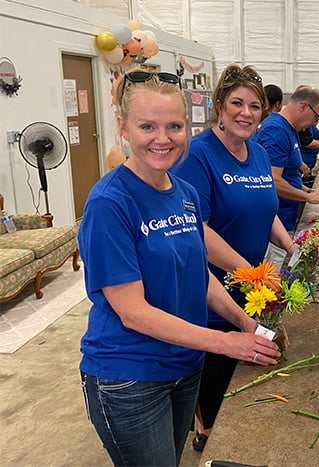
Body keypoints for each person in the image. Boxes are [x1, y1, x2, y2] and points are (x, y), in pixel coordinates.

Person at [78, 69, 280, 466]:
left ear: (187, 126)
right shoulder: (110, 203)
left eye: (173, 126)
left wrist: (244, 322)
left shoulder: (183, 193)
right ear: (122, 126)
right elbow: (132, 312)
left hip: (185, 364)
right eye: (147, 126)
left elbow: (197, 274)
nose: (162, 138)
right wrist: (224, 342)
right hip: (130, 377)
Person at [171, 64, 294, 451]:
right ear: (219, 107)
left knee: (242, 372)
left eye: (255, 106)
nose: (246, 112)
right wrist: (253, 273)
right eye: (237, 103)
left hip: (251, 286)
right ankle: (205, 434)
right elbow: (197, 230)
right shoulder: (198, 156)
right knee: (215, 370)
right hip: (211, 289)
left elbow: (265, 207)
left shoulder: (256, 153)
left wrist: (291, 247)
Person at [257, 85, 319, 263]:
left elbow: (288, 176)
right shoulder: (276, 130)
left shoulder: (289, 129)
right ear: (304, 106)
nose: (315, 124)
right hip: (276, 223)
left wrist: (307, 191)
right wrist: (308, 198)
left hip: (286, 219)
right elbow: (273, 181)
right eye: (316, 117)